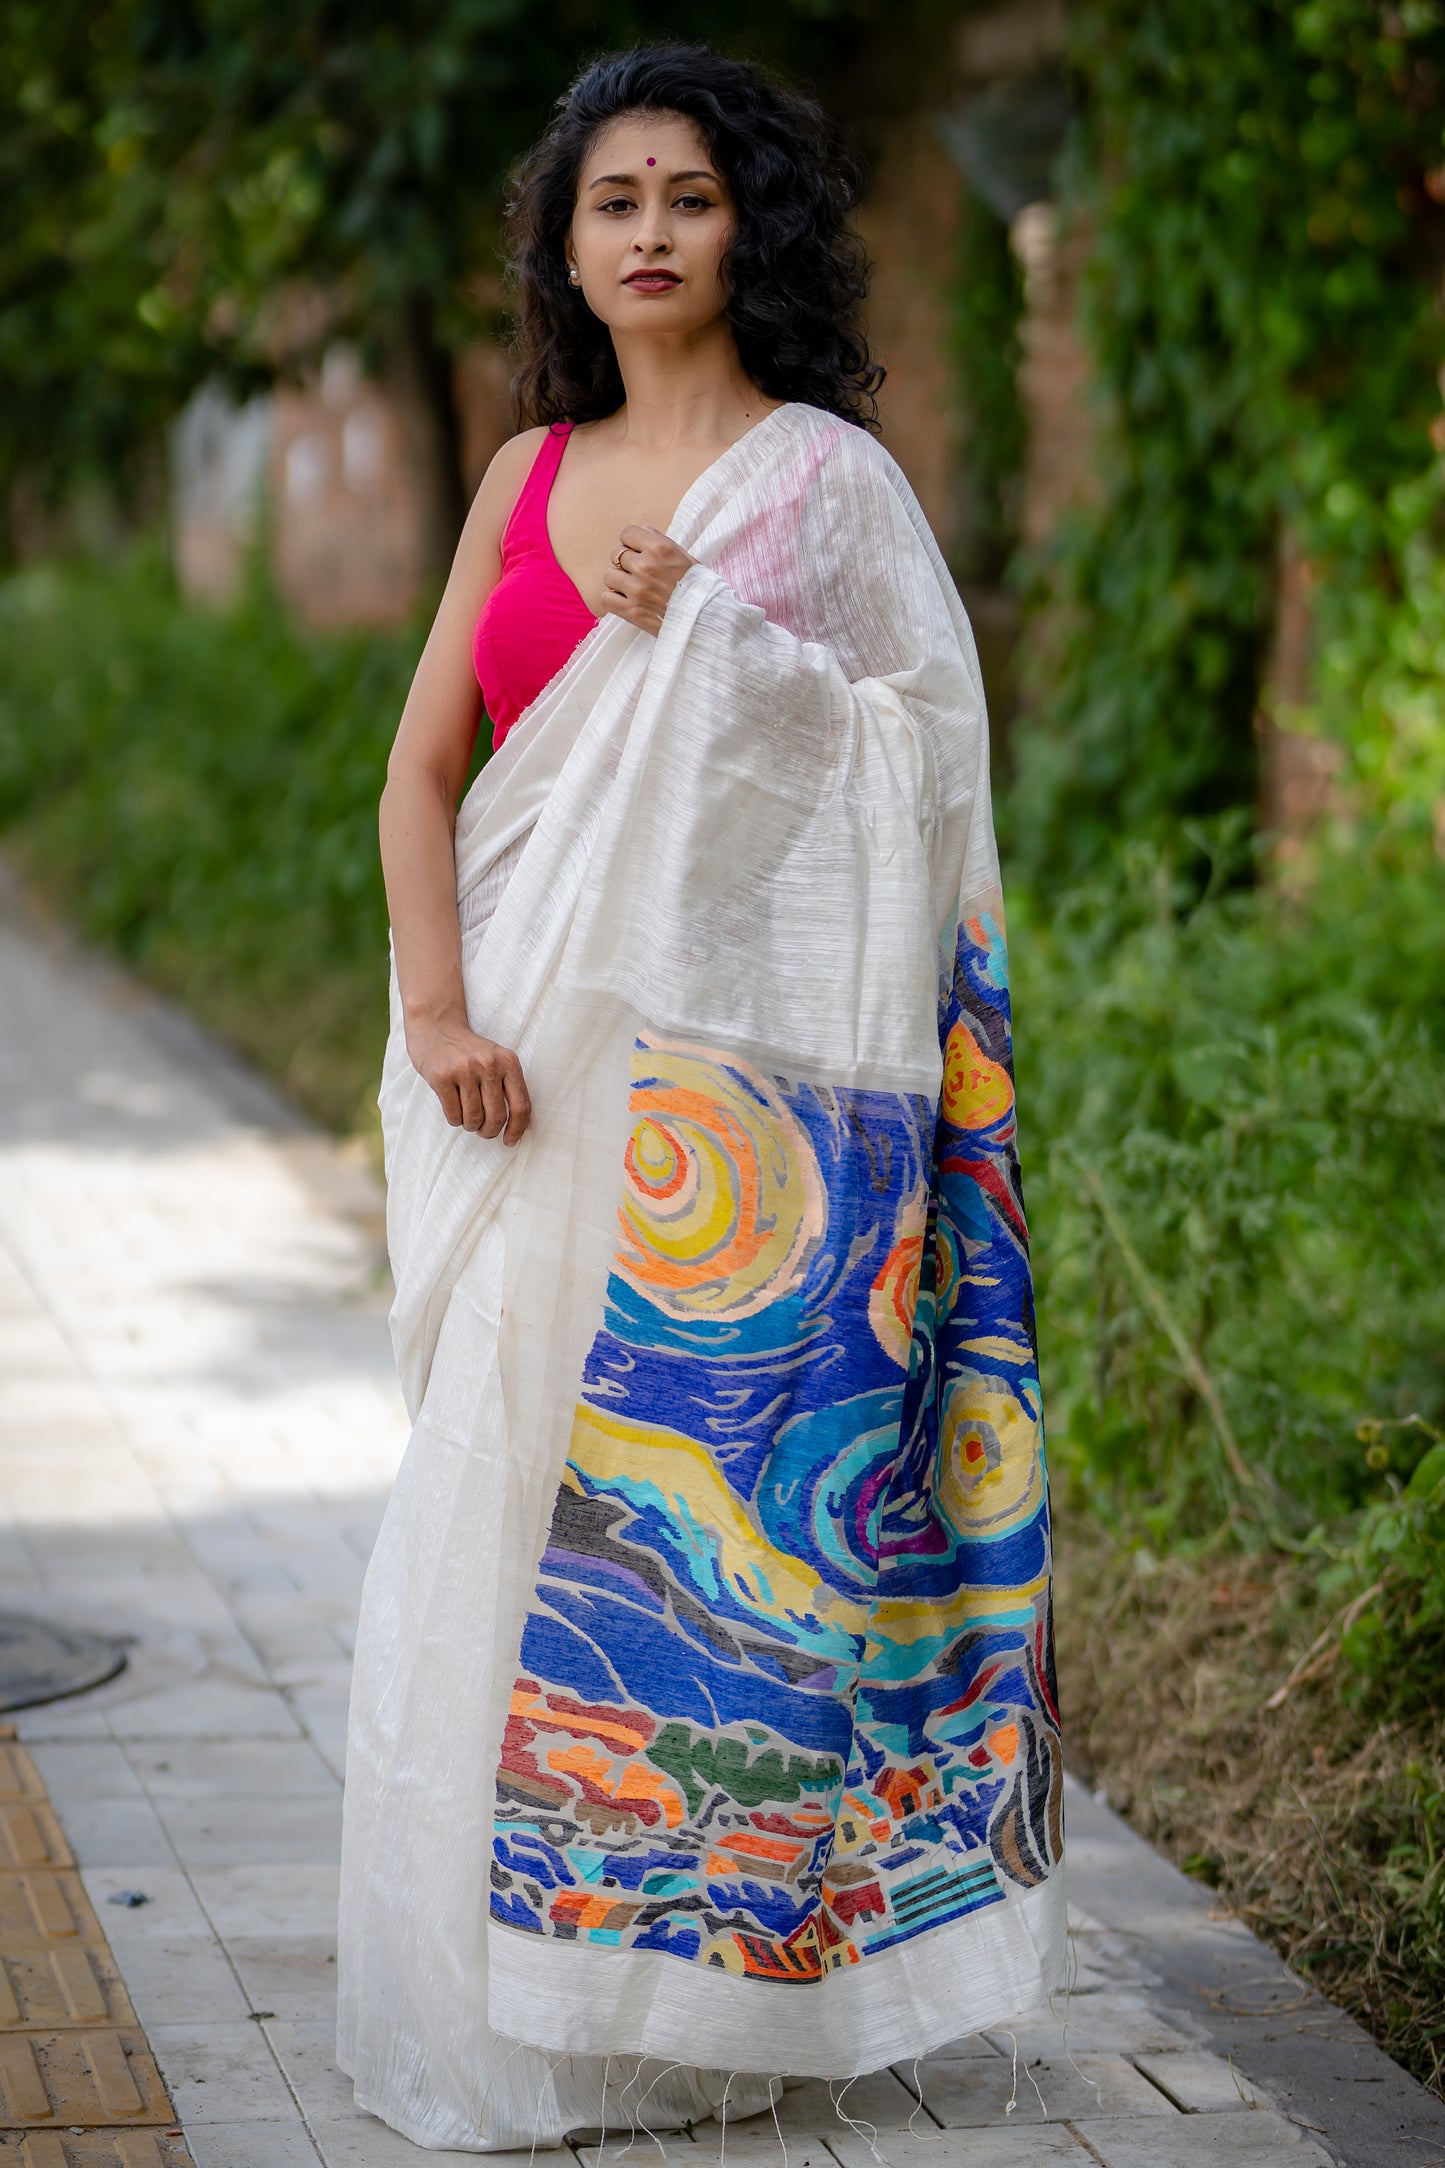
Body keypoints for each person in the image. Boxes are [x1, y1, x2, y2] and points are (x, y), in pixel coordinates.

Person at [337, 41, 1064, 2153]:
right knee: (500, 1494)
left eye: (687, 195)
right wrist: (441, 1007)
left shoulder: (820, 482)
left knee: (673, 1536)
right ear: (567, 246)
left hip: (735, 1127)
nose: (648, 232)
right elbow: (422, 773)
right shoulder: (523, 475)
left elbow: (919, 772)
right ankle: (512, 2000)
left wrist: (729, 645)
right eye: (610, 203)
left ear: (750, 225)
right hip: (531, 1072)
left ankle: (689, 2000)